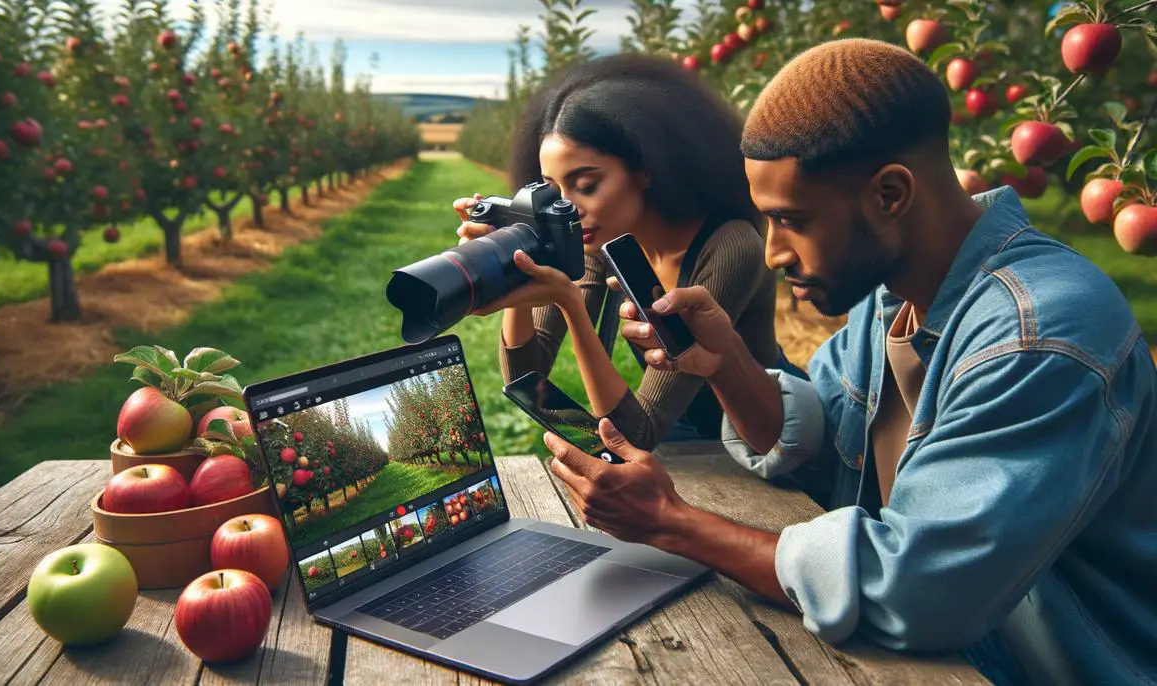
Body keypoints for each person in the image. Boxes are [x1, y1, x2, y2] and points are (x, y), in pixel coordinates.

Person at [545, 38, 1157, 686]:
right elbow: (820, 437)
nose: (773, 253)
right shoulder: (892, 295)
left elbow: (918, 591)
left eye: (791, 221)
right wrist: (723, 362)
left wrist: (671, 522)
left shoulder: (1041, 337)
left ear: (890, 194)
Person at [452, 52, 806, 451]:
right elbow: (526, 378)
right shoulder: (598, 238)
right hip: (685, 440)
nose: (568, 208)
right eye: (552, 190)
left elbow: (638, 433)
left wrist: (569, 302)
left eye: (586, 185)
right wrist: (512, 271)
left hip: (772, 443)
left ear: (645, 169)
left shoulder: (730, 246)